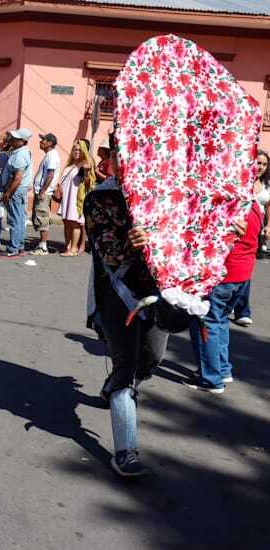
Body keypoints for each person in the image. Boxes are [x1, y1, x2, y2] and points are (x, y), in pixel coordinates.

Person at [84, 149, 167, 477]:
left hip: (157, 291)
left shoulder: (163, 194)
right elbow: (110, 252)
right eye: (125, 155)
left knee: (153, 357)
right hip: (117, 294)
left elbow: (181, 239)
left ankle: (112, 386)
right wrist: (135, 242)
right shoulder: (99, 198)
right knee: (127, 367)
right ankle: (126, 450)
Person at [185, 195, 263, 394]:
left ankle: (211, 378)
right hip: (241, 275)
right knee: (219, 322)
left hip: (224, 274)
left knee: (206, 322)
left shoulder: (230, 205)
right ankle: (222, 369)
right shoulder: (253, 205)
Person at [231, 149, 270, 326]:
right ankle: (233, 303)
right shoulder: (240, 181)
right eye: (257, 162)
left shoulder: (266, 185)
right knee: (234, 268)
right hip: (237, 231)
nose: (260, 166)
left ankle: (241, 309)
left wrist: (268, 226)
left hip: (255, 233)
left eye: (263, 163)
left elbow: (268, 207)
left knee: (246, 271)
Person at [0, 128, 33, 257]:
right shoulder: (19, 152)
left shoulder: (20, 154)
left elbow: (18, 176)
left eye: (16, 138)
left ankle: (13, 248)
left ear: (22, 141)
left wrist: (8, 193)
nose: (12, 140)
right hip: (18, 189)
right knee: (19, 218)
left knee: (15, 219)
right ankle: (19, 246)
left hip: (16, 190)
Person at [59, 139, 96, 257]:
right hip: (66, 197)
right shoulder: (69, 165)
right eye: (75, 149)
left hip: (76, 198)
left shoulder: (85, 164)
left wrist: (86, 172)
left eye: (79, 150)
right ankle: (68, 246)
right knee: (66, 222)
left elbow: (88, 182)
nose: (77, 152)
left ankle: (74, 248)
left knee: (75, 223)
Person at [29, 133, 61, 255]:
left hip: (44, 192)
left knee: (42, 218)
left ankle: (43, 246)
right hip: (41, 191)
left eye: (44, 140)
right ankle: (41, 244)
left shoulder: (52, 156)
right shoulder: (49, 155)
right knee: (39, 217)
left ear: (50, 143)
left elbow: (50, 174)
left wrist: (43, 190)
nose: (41, 142)